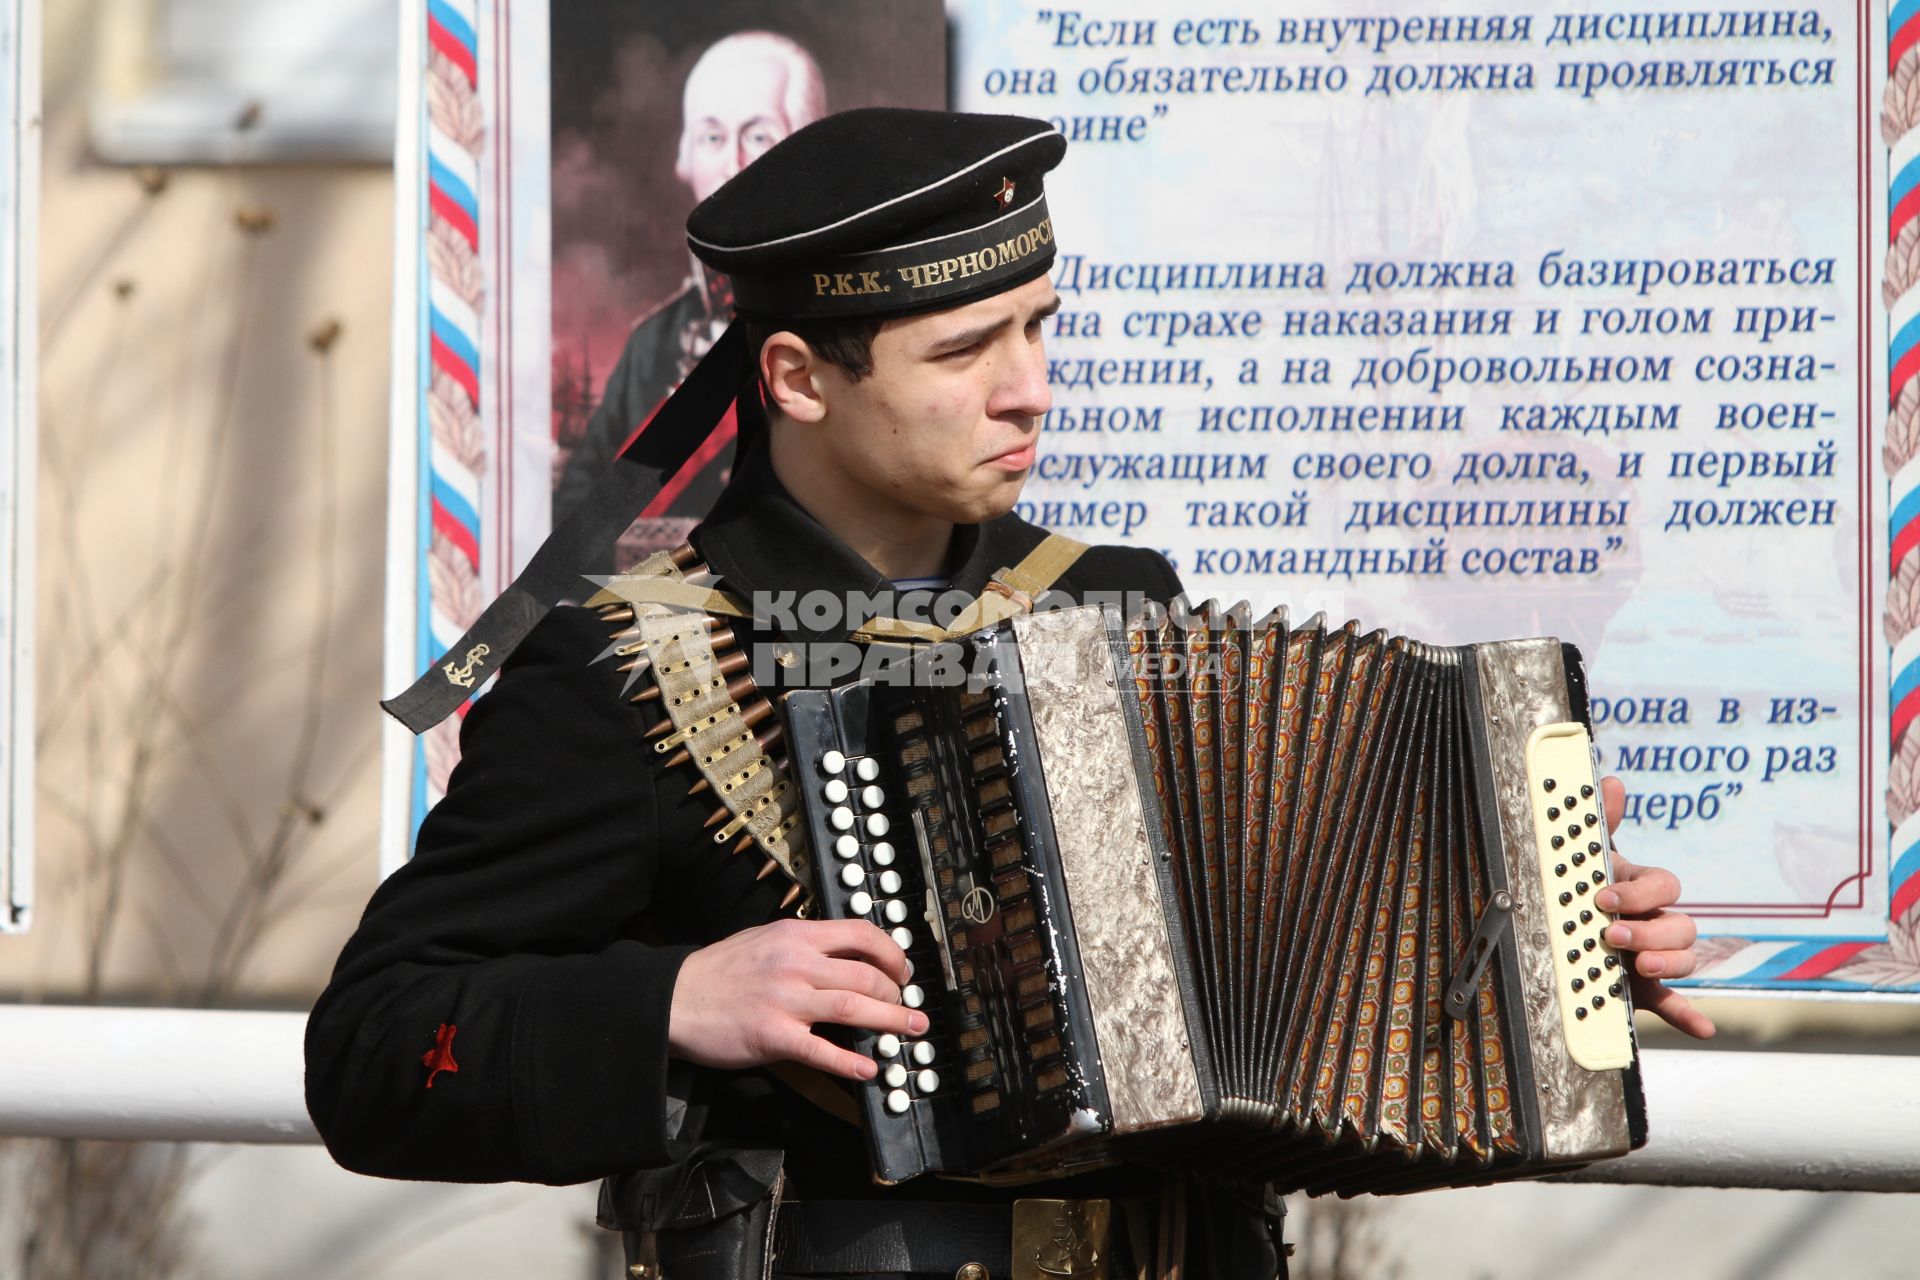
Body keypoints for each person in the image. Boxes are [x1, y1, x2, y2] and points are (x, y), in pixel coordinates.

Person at [309, 109, 1714, 1279]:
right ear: (796, 377)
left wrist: (1539, 954)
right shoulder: (623, 665)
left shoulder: (1119, 603)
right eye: (966, 350)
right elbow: (372, 1052)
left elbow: (1275, 1037)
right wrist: (670, 1000)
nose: (1031, 389)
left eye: (1039, 328)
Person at [552, 31, 828, 563]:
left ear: (809, 154)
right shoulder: (651, 342)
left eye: (760, 137)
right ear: (685, 158)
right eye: (711, 138)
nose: (733, 163)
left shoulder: (857, 325)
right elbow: (580, 504)